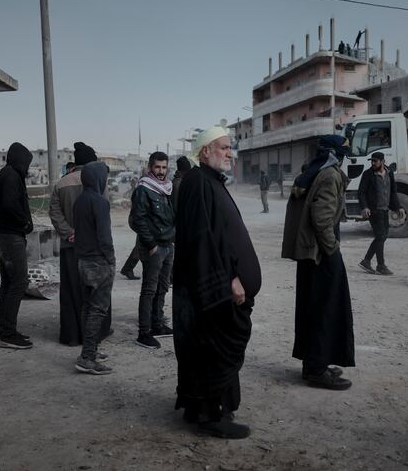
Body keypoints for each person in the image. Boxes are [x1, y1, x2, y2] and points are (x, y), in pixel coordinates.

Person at [173, 126, 261, 439]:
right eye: (223, 147)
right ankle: (209, 415)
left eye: (229, 148)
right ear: (205, 150)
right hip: (209, 292)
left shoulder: (209, 182)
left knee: (208, 349)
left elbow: (221, 234)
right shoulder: (198, 182)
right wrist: (229, 280)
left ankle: (204, 408)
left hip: (217, 285)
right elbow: (203, 241)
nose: (229, 153)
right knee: (210, 348)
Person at [282, 135, 355, 390]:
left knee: (313, 308)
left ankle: (315, 363)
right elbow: (322, 218)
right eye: (343, 154)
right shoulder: (329, 175)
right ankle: (315, 369)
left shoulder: (312, 172)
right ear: (336, 154)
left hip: (309, 255)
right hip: (321, 254)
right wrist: (332, 250)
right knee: (325, 309)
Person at [49, 141, 101, 346]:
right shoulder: (98, 182)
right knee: (93, 292)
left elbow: (54, 211)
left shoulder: (61, 183)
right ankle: (94, 335)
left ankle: (71, 336)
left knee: (71, 291)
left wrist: (69, 232)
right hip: (92, 247)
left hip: (69, 246)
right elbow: (101, 213)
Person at [72, 161, 116, 375]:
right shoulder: (100, 202)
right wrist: (111, 259)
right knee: (97, 310)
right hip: (98, 262)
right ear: (99, 179)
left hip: (82, 261)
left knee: (87, 308)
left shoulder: (79, 201)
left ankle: (89, 350)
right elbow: (104, 237)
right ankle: (87, 357)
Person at [129, 151, 175, 349]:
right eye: (157, 167)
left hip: (167, 245)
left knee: (162, 287)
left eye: (164, 167)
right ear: (150, 167)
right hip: (153, 247)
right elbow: (137, 219)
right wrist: (151, 245)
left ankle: (157, 324)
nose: (161, 171)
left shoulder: (167, 188)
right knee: (149, 290)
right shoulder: (143, 188)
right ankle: (144, 332)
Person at [0, 142, 34, 349]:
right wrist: (24, 222)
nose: (27, 167)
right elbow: (10, 205)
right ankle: (7, 333)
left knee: (8, 284)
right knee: (18, 283)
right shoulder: (11, 176)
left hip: (4, 235)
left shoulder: (6, 174)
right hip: (10, 237)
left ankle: (5, 331)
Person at [358, 151, 403, 275]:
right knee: (381, 236)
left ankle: (366, 261)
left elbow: (393, 191)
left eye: (375, 161)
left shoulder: (389, 173)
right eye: (371, 161)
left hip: (385, 209)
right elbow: (361, 192)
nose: (372, 163)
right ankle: (381, 265)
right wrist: (365, 207)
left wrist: (397, 207)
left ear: (382, 162)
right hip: (373, 210)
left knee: (382, 236)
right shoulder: (368, 174)